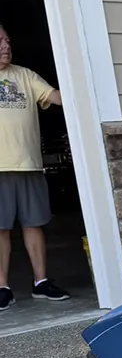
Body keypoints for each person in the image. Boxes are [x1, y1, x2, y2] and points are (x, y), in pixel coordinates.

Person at [0, 23, 69, 310]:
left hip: (29, 164)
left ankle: (41, 282)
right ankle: (2, 287)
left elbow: (55, 97)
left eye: (7, 40)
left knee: (34, 223)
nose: (5, 46)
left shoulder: (25, 75)